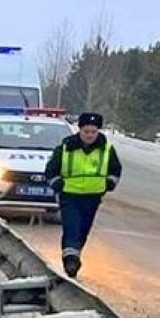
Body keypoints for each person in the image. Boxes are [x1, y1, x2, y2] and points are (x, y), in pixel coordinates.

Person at [41, 111, 123, 277]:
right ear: (79, 130)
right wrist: (57, 183)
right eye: (86, 132)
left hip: (93, 198)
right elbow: (50, 171)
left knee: (83, 230)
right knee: (72, 228)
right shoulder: (66, 148)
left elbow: (115, 170)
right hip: (70, 196)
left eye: (93, 132)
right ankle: (71, 261)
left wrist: (109, 183)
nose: (90, 135)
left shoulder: (106, 149)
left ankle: (74, 255)